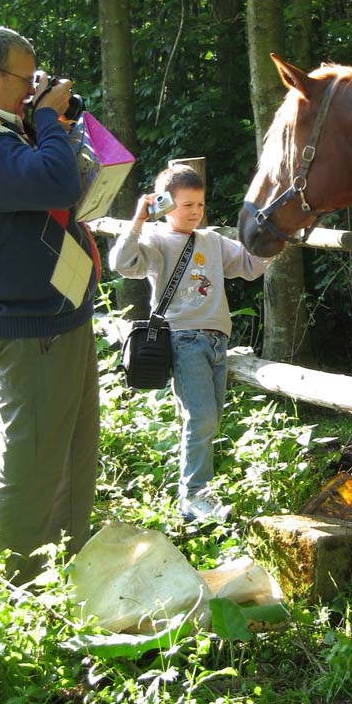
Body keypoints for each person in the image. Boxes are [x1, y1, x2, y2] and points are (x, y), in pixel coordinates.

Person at [0, 24, 101, 584]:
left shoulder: (3, 129)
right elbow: (58, 184)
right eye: (27, 81)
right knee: (31, 468)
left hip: (61, 315)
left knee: (76, 455)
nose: (34, 91)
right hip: (29, 330)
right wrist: (49, 120)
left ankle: (70, 570)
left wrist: (51, 123)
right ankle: (15, 589)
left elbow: (58, 176)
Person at [109, 164, 271, 523]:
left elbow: (249, 265)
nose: (196, 212)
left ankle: (199, 492)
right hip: (183, 340)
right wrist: (137, 219)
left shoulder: (212, 241)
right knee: (200, 418)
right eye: (187, 205)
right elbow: (121, 263)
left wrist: (277, 240)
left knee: (211, 420)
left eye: (200, 204)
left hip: (217, 340)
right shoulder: (154, 241)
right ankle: (193, 497)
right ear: (165, 205)